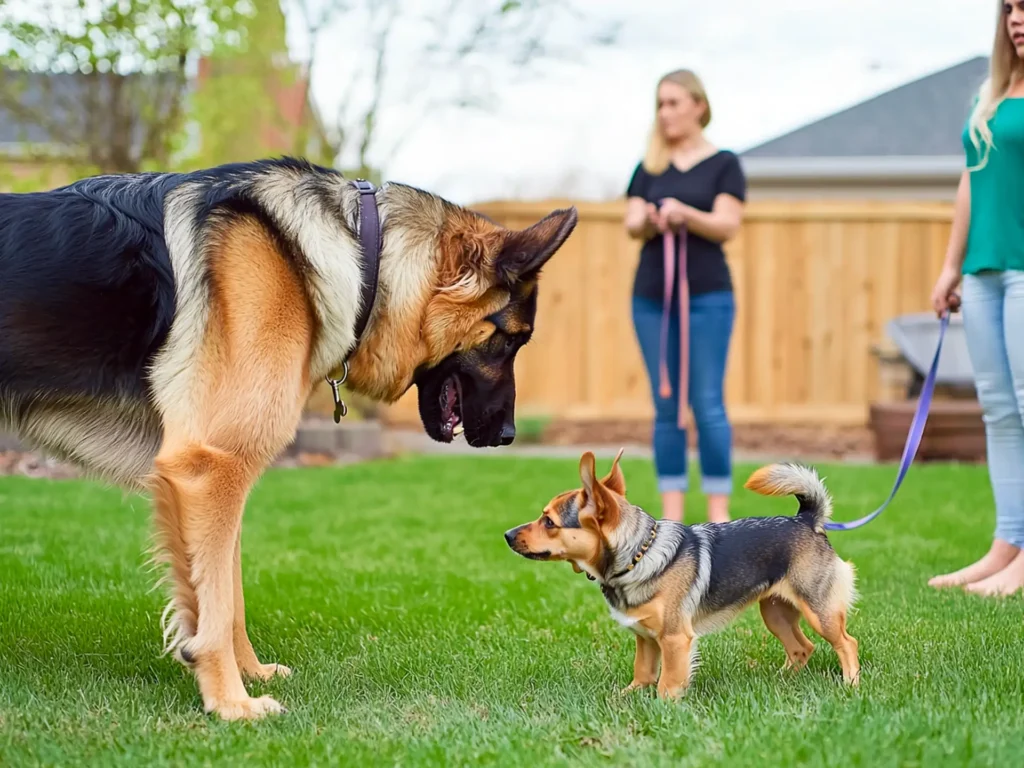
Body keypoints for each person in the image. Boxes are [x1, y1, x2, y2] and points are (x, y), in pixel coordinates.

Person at [929, 0, 1024, 596]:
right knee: (1000, 411)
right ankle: (1007, 543)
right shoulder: (988, 92)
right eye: (1011, 7)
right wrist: (950, 266)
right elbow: (972, 178)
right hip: (985, 268)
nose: (1018, 17)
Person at [623, 69, 746, 524]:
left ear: (699, 105)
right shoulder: (649, 166)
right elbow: (631, 221)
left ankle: (718, 514)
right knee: (666, 405)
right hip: (652, 298)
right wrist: (653, 219)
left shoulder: (724, 164)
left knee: (708, 403)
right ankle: (672, 516)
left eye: (674, 102)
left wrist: (686, 214)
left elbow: (727, 224)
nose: (666, 112)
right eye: (660, 104)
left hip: (708, 297)